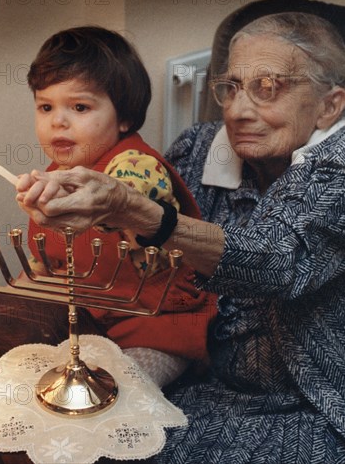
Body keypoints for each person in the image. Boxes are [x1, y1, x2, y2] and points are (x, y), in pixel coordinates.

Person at [17, 13, 345, 462]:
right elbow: (135, 253)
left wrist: (138, 211)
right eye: (231, 87)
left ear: (329, 104)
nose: (238, 111)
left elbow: (277, 260)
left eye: (268, 88)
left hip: (313, 401)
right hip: (195, 375)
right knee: (60, 428)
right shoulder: (200, 146)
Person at [22, 26, 218, 387]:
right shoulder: (55, 174)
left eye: (79, 107)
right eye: (45, 106)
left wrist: (110, 205)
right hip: (86, 319)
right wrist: (29, 283)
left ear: (124, 117)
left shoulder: (133, 166)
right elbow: (50, 259)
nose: (58, 121)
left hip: (156, 323)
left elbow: (131, 200)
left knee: (121, 393)